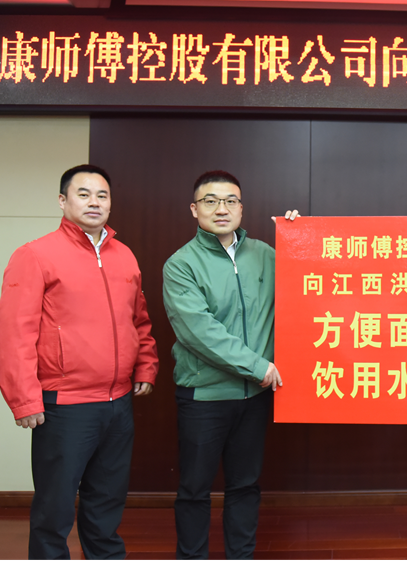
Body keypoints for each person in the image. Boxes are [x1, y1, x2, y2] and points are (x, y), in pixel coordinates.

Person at [0, 164, 159, 560]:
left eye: (102, 195)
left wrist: (145, 366)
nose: (94, 202)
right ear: (62, 200)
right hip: (65, 405)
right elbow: (15, 333)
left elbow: (139, 320)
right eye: (83, 194)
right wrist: (24, 399)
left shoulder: (124, 256)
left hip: (118, 404)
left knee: (106, 503)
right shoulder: (35, 255)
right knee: (54, 509)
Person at [163, 170, 296, 559]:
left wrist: (300, 237)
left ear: (241, 208)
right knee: (194, 489)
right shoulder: (181, 264)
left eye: (230, 201)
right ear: (194, 209)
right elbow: (199, 332)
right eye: (210, 201)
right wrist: (258, 366)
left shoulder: (266, 255)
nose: (221, 209)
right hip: (204, 396)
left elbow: (311, 284)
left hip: (255, 396)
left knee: (245, 486)